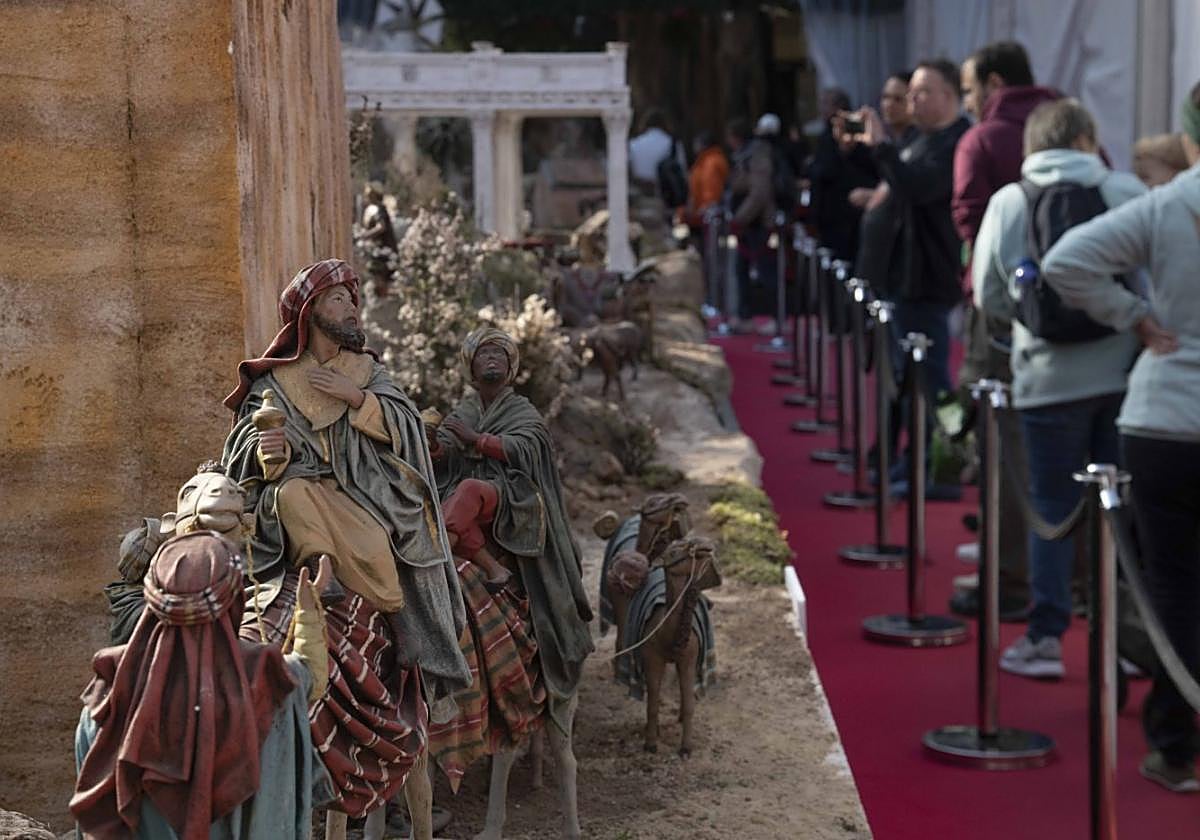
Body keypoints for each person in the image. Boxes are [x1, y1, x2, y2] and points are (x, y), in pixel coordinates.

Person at [221, 259, 470, 816]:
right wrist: (269, 456)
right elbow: (240, 454)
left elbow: (406, 430)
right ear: (310, 314)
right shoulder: (275, 385)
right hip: (307, 509)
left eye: (351, 298)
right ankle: (324, 575)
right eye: (337, 299)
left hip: (366, 506)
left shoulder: (367, 373)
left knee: (391, 559)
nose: (350, 307)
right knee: (290, 495)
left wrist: (359, 400)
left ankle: (411, 635)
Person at [1041, 82, 1200, 793]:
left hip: (1165, 417)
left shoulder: (1168, 204)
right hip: (1163, 420)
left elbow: (1065, 262)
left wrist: (1134, 316)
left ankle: (1176, 745)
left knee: (1171, 587)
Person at [974, 99, 1146, 678]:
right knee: (1121, 512)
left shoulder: (1009, 201)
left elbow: (988, 297)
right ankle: (1124, 641)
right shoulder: (1124, 192)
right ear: (1086, 138)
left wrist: (1025, 328)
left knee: (1050, 507)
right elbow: (1150, 280)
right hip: (1122, 374)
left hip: (1045, 379)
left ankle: (1046, 638)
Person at [71, 533, 331, 839]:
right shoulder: (269, 684)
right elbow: (310, 676)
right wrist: (307, 612)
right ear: (236, 602)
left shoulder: (107, 701)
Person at [431, 327, 594, 733]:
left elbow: (527, 449)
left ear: (511, 367)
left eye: (499, 355)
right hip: (468, 499)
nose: (492, 360)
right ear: (470, 364)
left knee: (467, 492)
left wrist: (477, 441)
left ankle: (442, 546)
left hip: (512, 496)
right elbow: (446, 456)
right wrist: (436, 444)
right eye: (484, 353)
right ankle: (490, 567)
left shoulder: (522, 411)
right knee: (450, 496)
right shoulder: (465, 408)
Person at [950, 41, 1060, 617]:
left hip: (1000, 322)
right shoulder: (1071, 124)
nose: (969, 100)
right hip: (1083, 322)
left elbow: (968, 219)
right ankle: (1075, 583)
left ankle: (1011, 577)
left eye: (969, 89)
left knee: (1006, 447)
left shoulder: (982, 140)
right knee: (1071, 454)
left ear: (992, 83)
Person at [848, 59, 971, 489]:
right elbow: (899, 186)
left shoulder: (956, 142)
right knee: (906, 379)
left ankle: (945, 468)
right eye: (911, 93)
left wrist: (883, 148)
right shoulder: (923, 138)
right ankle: (913, 460)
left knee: (935, 383)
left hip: (930, 280)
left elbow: (918, 187)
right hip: (906, 279)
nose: (913, 101)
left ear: (949, 95)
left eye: (921, 92)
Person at [727, 114, 780, 333]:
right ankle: (744, 315)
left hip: (758, 223)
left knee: (766, 272)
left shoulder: (758, 154)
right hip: (746, 225)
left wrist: (741, 218)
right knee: (742, 269)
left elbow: (759, 192)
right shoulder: (741, 156)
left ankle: (776, 317)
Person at [810, 88, 877, 262]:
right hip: (828, 212)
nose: (822, 108)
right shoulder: (826, 133)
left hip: (847, 213)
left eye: (826, 103)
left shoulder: (855, 130)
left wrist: (845, 151)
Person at [357, 183, 398, 295]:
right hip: (376, 249)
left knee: (381, 278)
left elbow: (381, 227)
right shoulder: (372, 209)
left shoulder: (379, 209)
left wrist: (365, 236)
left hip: (383, 249)